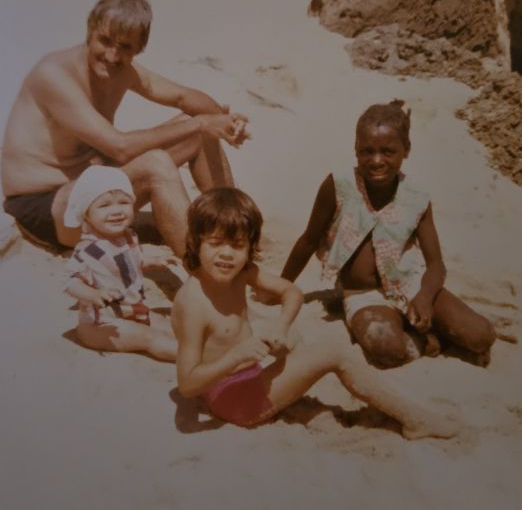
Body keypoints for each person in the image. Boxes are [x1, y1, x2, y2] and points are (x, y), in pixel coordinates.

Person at [171, 187, 461, 440]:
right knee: (335, 353)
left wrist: (281, 325)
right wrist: (236, 356)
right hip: (234, 402)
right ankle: (415, 419)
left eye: (237, 246)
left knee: (293, 336)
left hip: (247, 374)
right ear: (196, 242)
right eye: (215, 243)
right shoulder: (193, 303)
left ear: (249, 247)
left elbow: (292, 292)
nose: (226, 254)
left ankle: (302, 407)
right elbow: (186, 385)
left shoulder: (241, 273)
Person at [1, 0, 249, 256]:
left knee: (196, 131)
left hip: (91, 184)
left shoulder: (122, 70)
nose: (112, 55)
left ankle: (233, 225)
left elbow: (183, 97)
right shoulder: (54, 75)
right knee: (158, 160)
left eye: (125, 47)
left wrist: (222, 120)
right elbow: (119, 147)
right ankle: (203, 268)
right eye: (105, 41)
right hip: (45, 207)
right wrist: (202, 123)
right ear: (89, 30)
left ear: (138, 49)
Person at [281, 100, 495, 368]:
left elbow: (436, 265)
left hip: (411, 284)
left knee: (481, 336)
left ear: (406, 149)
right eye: (366, 151)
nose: (376, 160)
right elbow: (308, 240)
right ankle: (423, 340)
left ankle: (424, 326)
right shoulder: (338, 186)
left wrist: (424, 298)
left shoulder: (416, 198)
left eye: (388, 151)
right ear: (355, 149)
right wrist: (280, 286)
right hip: (363, 295)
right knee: (386, 348)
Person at [64, 165, 176, 361]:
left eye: (124, 202)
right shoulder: (88, 250)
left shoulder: (128, 237)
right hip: (102, 324)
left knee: (171, 326)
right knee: (150, 338)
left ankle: (211, 351)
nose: (116, 211)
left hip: (132, 310)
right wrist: (93, 294)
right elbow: (70, 282)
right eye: (104, 205)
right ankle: (198, 363)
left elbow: (131, 263)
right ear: (86, 213)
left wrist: (153, 261)